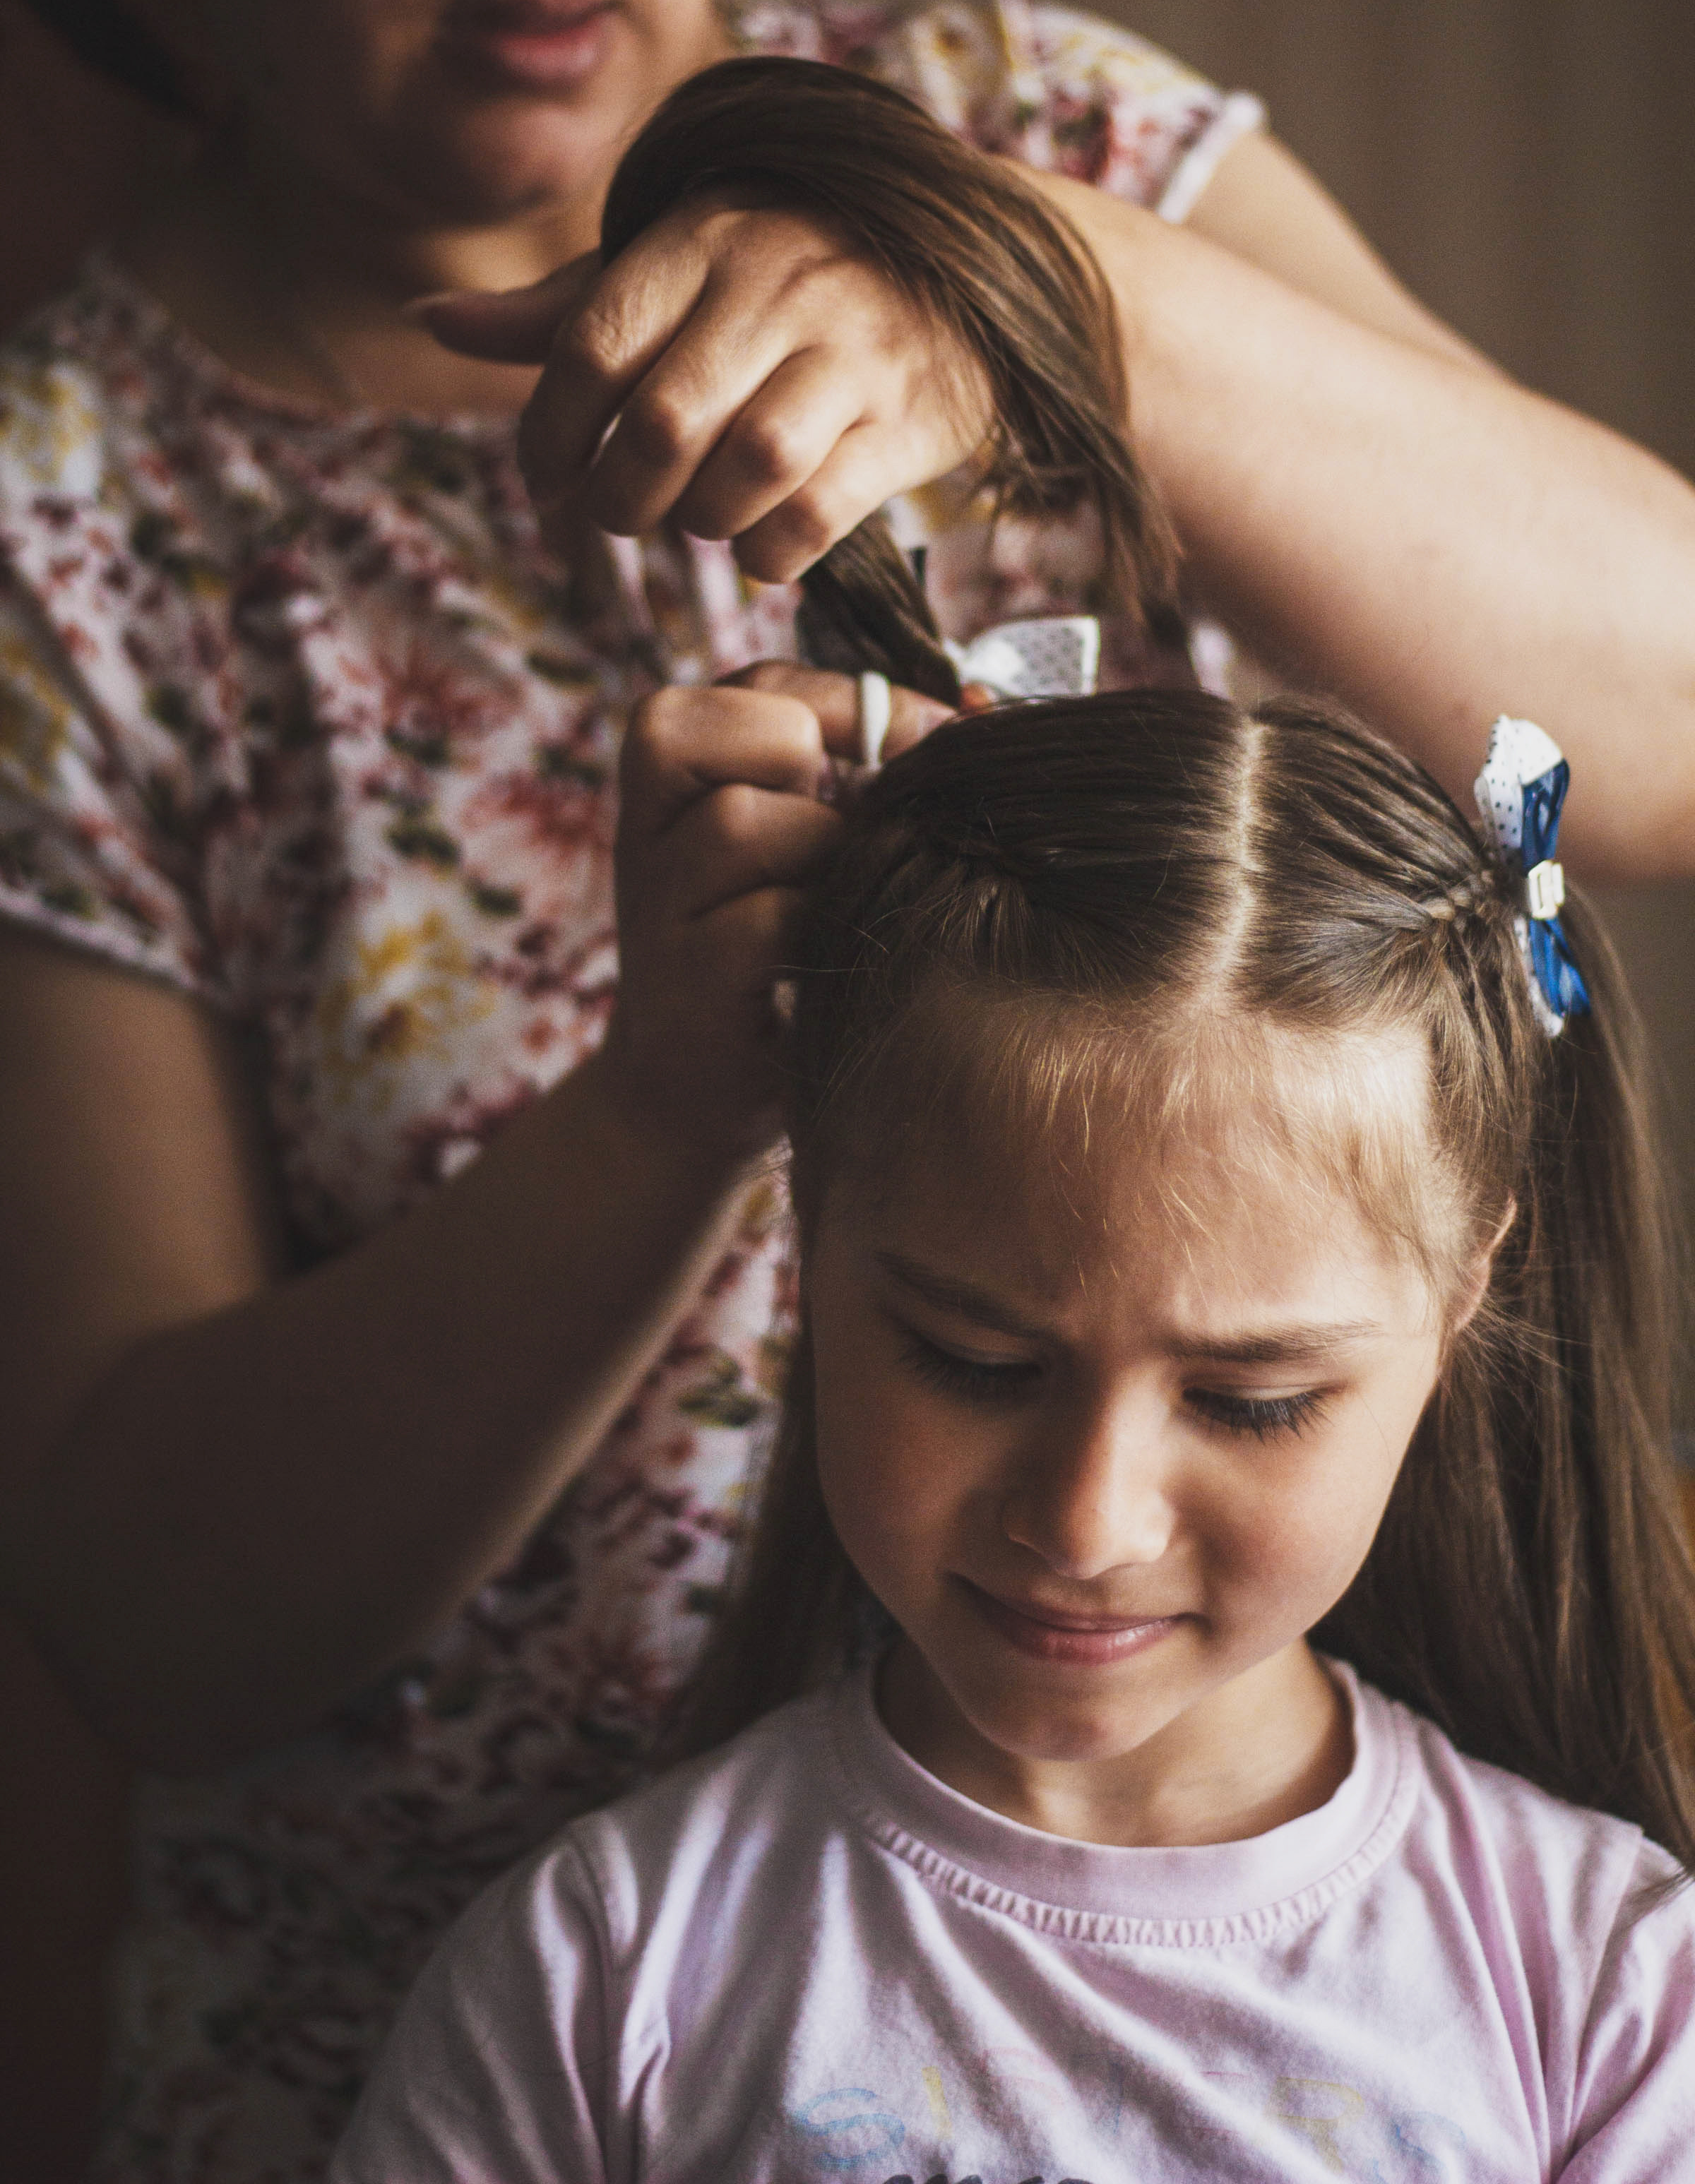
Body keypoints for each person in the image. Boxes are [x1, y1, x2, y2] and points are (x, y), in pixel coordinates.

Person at [3, 0, 1695, 2174]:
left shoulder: (1042, 140)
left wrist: (1054, 298)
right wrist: (664, 1115)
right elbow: (156, 1621)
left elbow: (1648, 725)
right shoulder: (73, 534)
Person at [329, 671, 1695, 2182]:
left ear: (1461, 1299)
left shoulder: (1608, 1993)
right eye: (975, 1361)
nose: (1088, 1521)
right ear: (814, 1238)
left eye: (1253, 1401)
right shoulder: (608, 1969)